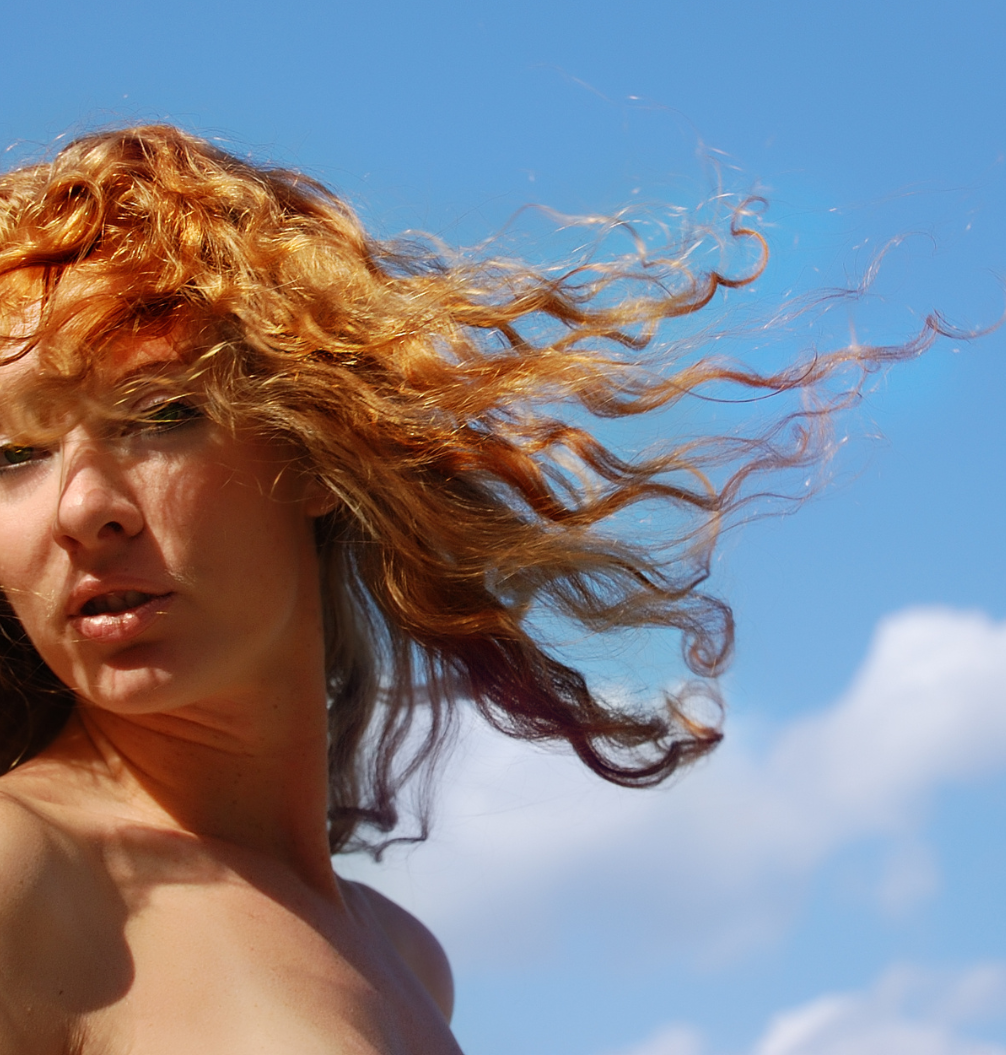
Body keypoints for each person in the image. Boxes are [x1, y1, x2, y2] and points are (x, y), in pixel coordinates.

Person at [0, 125, 934, 1053]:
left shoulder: (404, 958)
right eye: (14, 454)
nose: (84, 507)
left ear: (313, 445)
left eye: (160, 414)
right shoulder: (21, 869)